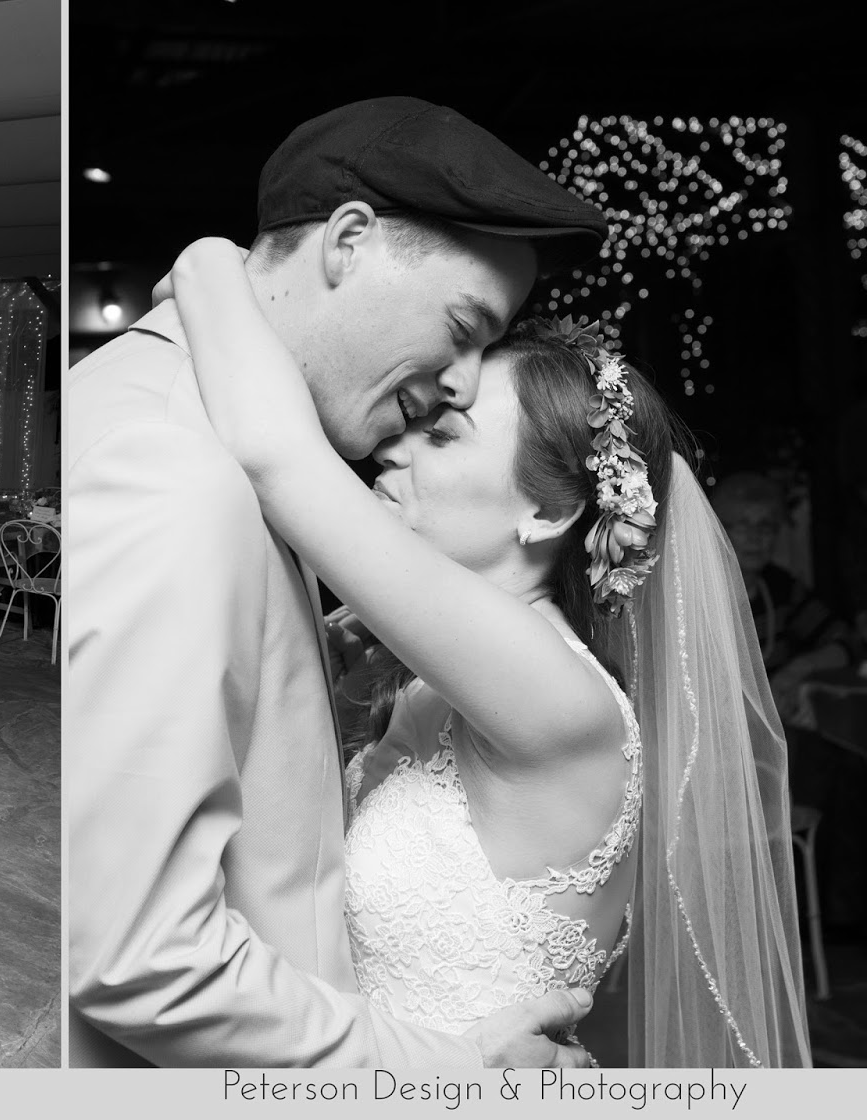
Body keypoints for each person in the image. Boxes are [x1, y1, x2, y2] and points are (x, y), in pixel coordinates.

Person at [68, 97, 627, 1070]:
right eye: (461, 326)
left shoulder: (246, 453)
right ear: (349, 239)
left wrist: (205, 265)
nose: (454, 384)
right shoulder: (177, 466)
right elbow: (135, 954)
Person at [167, 237, 813, 1066]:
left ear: (547, 515)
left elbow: (276, 455)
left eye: (443, 438)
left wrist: (214, 262)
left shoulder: (558, 696)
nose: (393, 447)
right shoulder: (435, 681)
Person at [712, 471, 858, 719]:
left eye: (765, 526)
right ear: (719, 533)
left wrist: (795, 671)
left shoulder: (782, 588)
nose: (755, 537)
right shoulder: (702, 595)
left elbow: (846, 642)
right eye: (743, 524)